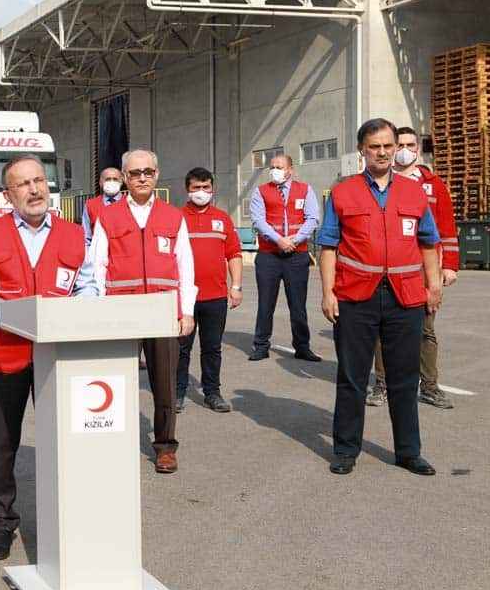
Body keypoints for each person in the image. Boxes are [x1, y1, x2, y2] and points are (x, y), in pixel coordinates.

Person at [0, 155, 93, 561]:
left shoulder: (74, 234)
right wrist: (3, 316)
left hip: (59, 355)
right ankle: (2, 521)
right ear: (8, 194)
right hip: (5, 352)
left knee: (68, 439)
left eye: (39, 180)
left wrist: (75, 313)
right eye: (23, 184)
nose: (35, 190)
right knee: (2, 443)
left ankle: (71, 517)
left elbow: (88, 286)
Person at [318, 118, 441, 476]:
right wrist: (328, 293)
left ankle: (408, 451)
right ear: (362, 150)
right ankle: (345, 450)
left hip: (405, 297)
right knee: (352, 377)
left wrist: (433, 286)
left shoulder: (414, 192)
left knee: (405, 378)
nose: (383, 153)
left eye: (389, 146)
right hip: (356, 297)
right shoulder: (343, 193)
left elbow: (428, 243)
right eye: (375, 147)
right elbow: (328, 247)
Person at [90, 149, 196, 474]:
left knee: (164, 384)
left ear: (156, 174)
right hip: (121, 312)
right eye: (135, 173)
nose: (142, 178)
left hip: (162, 312)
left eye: (147, 172)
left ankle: (165, 447)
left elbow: (185, 265)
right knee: (117, 383)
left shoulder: (173, 216)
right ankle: (115, 443)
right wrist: (99, 312)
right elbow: (97, 266)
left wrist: (186, 311)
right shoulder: (108, 217)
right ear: (125, 177)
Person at [366, 127, 459, 410]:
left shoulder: (433, 184)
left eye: (410, 145)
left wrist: (450, 265)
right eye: (401, 145)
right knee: (384, 330)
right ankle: (383, 385)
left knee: (426, 330)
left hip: (425, 270)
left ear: (418, 149)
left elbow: (446, 227)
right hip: (389, 270)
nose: (405, 150)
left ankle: (429, 386)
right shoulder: (379, 183)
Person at [176, 167, 242, 413]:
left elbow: (234, 254)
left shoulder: (223, 218)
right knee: (180, 348)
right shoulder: (176, 218)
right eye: (196, 188)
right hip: (184, 299)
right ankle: (177, 392)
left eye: (206, 187)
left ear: (213, 189)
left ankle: (212, 393)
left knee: (212, 348)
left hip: (215, 297)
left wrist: (236, 286)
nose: (201, 192)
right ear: (187, 189)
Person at [249, 153, 322, 362]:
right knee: (265, 304)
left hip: (297, 255)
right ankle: (261, 346)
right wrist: (279, 240)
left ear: (290, 170)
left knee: (298, 305)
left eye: (279, 167)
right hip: (269, 255)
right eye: (272, 167)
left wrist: (295, 240)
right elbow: (258, 220)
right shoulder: (260, 191)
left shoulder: (305, 190)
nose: (274, 170)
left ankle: (302, 347)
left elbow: (313, 218)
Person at [81, 166, 125, 246]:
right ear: (100, 183)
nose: (112, 182)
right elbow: (86, 237)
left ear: (121, 182)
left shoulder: (130, 203)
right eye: (108, 179)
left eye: (115, 179)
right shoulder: (90, 205)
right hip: (99, 252)